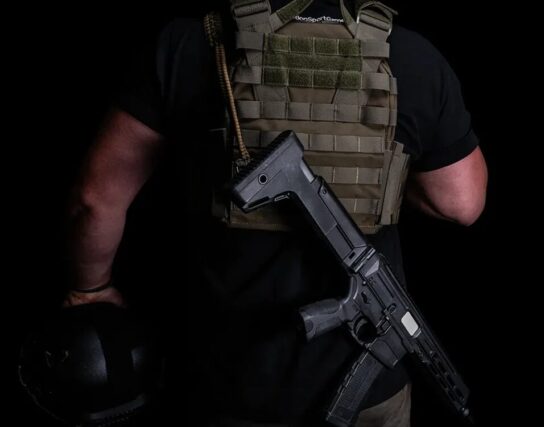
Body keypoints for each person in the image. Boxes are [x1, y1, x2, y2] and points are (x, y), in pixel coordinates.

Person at [63, 1, 488, 426]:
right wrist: (380, 175)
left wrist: (91, 289)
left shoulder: (191, 43)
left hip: (228, 382)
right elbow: (462, 203)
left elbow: (94, 200)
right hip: (370, 403)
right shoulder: (410, 56)